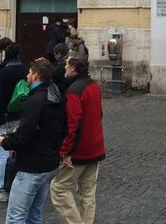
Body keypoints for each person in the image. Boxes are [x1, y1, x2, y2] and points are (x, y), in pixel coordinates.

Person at [0, 59, 65, 224]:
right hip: (49, 162)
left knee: (16, 217)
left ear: (35, 76)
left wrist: (4, 142)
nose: (27, 75)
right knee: (34, 216)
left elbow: (23, 137)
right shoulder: (56, 95)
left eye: (29, 72)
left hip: (32, 166)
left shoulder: (35, 100)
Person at [51, 56, 105, 224]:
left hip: (80, 150)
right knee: (87, 193)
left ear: (73, 68)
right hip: (96, 146)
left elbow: (73, 125)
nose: (65, 68)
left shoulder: (74, 91)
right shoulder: (94, 85)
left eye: (66, 65)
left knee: (58, 189)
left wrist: (66, 152)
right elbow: (99, 114)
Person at [0, 43, 28, 202]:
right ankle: (19, 186)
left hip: (4, 116)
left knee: (3, 153)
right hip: (21, 115)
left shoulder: (2, 72)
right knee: (18, 152)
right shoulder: (24, 70)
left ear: (5, 54)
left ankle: (3, 190)